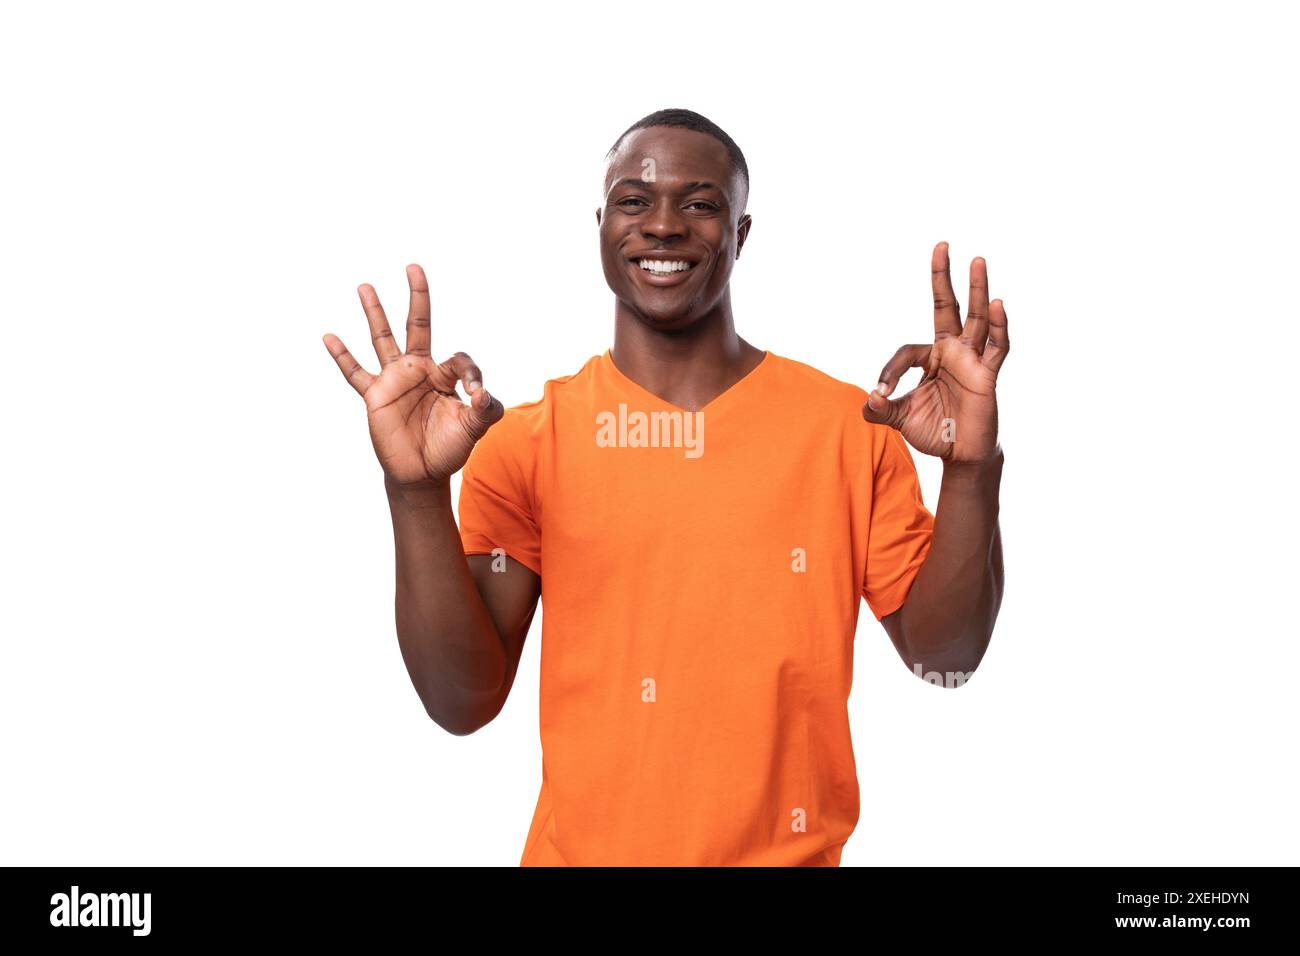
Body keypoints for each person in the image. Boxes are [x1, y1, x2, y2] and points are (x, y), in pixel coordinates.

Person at [322, 109, 1008, 866]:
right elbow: (461, 703)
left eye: (702, 203)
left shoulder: (853, 427)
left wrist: (972, 473)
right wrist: (414, 494)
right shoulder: (522, 442)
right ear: (601, 227)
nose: (663, 225)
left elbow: (947, 653)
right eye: (634, 200)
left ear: (741, 234)